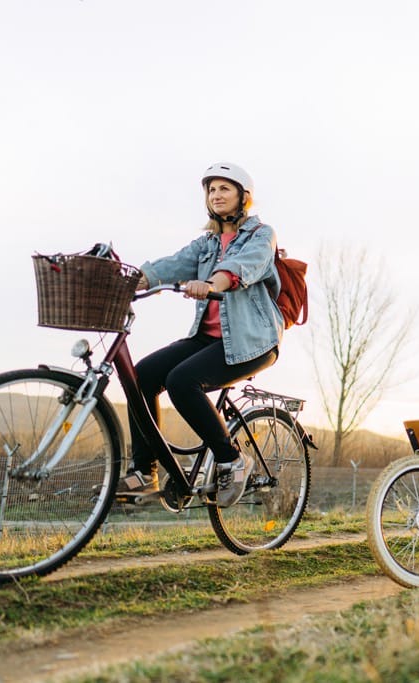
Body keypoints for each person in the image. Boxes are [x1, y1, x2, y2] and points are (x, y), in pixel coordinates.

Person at [117, 162, 285, 507]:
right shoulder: (207, 242)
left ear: (244, 196)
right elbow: (172, 264)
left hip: (251, 342)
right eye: (211, 190)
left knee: (181, 381)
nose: (216, 195)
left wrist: (211, 284)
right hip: (207, 339)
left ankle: (231, 460)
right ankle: (143, 471)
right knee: (142, 377)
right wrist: (130, 281)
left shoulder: (261, 235)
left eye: (224, 188)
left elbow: (241, 268)